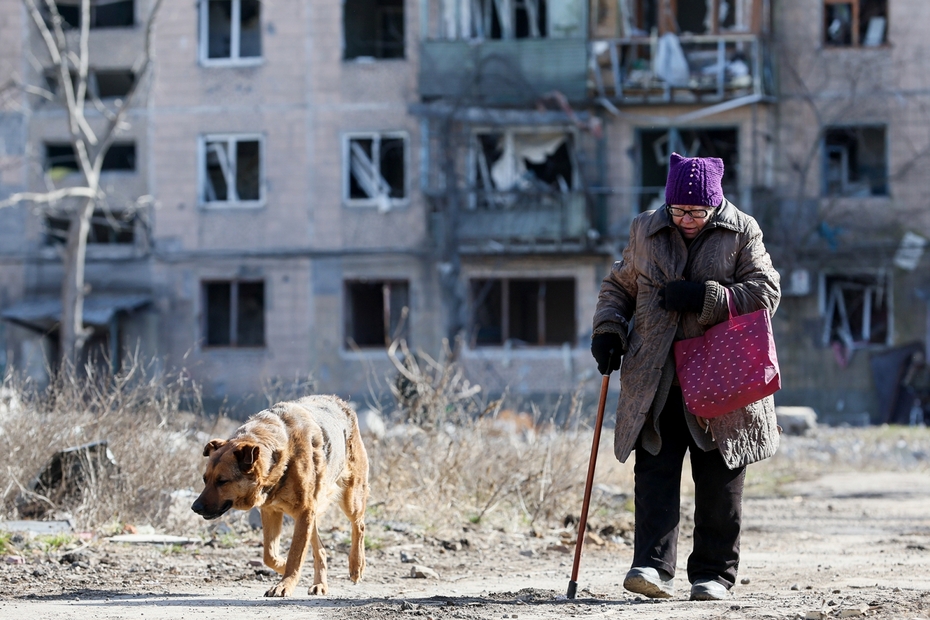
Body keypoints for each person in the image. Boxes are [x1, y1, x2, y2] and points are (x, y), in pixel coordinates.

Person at [590, 153, 781, 601]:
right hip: (657, 377)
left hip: (721, 378)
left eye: (696, 212)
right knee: (654, 471)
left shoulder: (742, 231)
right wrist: (609, 329)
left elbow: (766, 291)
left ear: (715, 205)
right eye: (678, 211)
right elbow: (619, 285)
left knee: (719, 478)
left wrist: (704, 297)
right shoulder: (645, 228)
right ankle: (651, 568)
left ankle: (714, 575)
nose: (686, 220)